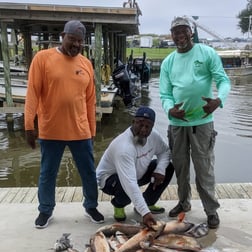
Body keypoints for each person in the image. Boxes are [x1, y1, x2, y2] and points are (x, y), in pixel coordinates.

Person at [24, 20, 104, 228]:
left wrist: (92, 129)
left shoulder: (86, 64)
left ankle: (91, 206)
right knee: (48, 172)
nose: (76, 44)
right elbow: (32, 93)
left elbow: (90, 100)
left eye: (80, 41)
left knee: (88, 172)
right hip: (51, 129)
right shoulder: (43, 58)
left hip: (81, 130)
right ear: (62, 36)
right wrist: (28, 126)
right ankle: (45, 210)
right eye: (72, 39)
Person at [159, 17, 231, 229]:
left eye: (183, 31)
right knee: (180, 168)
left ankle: (211, 210)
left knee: (204, 168)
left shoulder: (206, 53)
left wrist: (219, 100)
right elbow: (164, 93)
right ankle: (183, 203)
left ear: (191, 32)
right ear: (171, 35)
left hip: (203, 122)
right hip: (177, 124)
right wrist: (169, 109)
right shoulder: (168, 62)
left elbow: (223, 80)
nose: (179, 35)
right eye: (175, 32)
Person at [96, 106, 174, 228]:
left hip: (136, 174)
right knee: (126, 189)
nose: (143, 130)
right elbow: (129, 183)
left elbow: (165, 152)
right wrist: (145, 214)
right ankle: (119, 204)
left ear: (152, 127)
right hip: (110, 180)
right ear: (133, 122)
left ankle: (148, 202)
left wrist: (160, 169)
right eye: (140, 124)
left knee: (168, 167)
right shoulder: (124, 147)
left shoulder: (154, 136)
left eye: (147, 126)